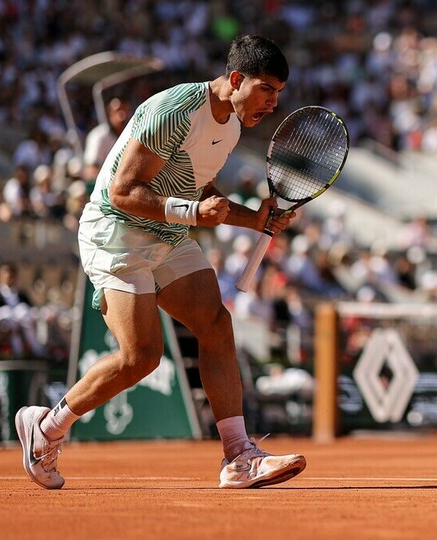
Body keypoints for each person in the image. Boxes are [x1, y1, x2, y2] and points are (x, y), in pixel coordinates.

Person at [15, 35, 306, 490]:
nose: (272, 103)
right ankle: (47, 427)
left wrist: (256, 219)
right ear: (235, 79)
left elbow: (199, 187)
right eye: (266, 89)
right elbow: (123, 191)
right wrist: (192, 213)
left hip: (166, 234)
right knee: (141, 357)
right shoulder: (173, 110)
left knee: (215, 323)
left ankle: (238, 456)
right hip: (115, 234)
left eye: (278, 93)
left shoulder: (229, 124)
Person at [81, 97, 131, 182]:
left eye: (124, 109)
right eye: (117, 110)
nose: (122, 115)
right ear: (109, 114)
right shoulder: (98, 136)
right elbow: (90, 170)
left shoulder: (132, 131)